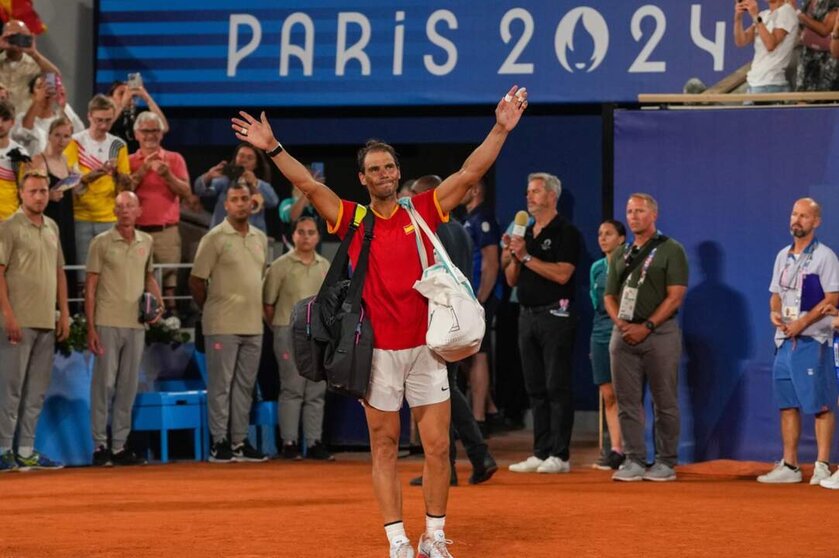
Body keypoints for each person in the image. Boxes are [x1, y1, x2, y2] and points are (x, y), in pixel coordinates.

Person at [231, 84, 527, 558]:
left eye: (389, 166)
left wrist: (500, 128)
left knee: (435, 449)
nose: (384, 174)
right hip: (378, 356)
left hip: (427, 351)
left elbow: (471, 171)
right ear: (364, 179)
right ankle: (397, 540)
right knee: (385, 447)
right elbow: (309, 185)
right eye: (375, 170)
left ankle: (434, 536)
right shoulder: (352, 218)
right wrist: (274, 148)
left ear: (398, 172)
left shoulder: (425, 208)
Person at [407, 174, 498, 488]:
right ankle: (462, 462)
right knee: (446, 389)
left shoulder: (427, 228)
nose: (411, 204)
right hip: (457, 320)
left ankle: (473, 455)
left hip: (436, 321)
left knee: (441, 391)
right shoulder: (459, 227)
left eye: (416, 196)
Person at [604, 193, 688, 482]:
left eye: (639, 211)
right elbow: (609, 296)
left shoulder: (671, 250)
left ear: (654, 215)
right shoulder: (620, 253)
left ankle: (665, 461)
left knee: (664, 401)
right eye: (629, 211)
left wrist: (647, 326)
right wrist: (621, 324)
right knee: (626, 400)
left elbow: (675, 296)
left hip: (660, 334)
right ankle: (634, 460)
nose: (633, 216)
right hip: (623, 335)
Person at [503, 172, 581, 475]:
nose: (529, 196)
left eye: (536, 191)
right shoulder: (527, 233)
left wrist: (525, 258)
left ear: (552, 196)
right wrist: (514, 255)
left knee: (556, 385)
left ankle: (560, 454)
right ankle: (540, 450)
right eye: (528, 192)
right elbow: (511, 279)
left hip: (556, 316)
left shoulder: (566, 232)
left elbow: (563, 274)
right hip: (526, 314)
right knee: (534, 386)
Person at [757, 197, 838, 485]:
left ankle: (822, 465)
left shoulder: (825, 256)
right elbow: (775, 292)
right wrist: (775, 313)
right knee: (787, 404)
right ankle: (790, 465)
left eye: (804, 216)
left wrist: (802, 322)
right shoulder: (782, 256)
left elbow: (832, 298)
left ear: (816, 222)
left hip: (813, 340)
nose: (797, 220)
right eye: (794, 214)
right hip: (784, 341)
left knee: (820, 404)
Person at [189, 181, 269, 464]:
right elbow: (197, 281)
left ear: (252, 202)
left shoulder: (260, 238)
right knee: (221, 386)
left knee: (245, 387)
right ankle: (219, 441)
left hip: (253, 325)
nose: (240, 203)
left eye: (244, 198)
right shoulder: (214, 237)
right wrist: (212, 307)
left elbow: (261, 278)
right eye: (234, 199)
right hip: (221, 323)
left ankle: (239, 441)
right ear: (226, 205)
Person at [86, 191, 163, 466]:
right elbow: (91, 287)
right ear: (114, 211)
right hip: (107, 321)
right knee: (103, 386)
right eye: (120, 206)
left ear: (139, 210)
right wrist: (91, 328)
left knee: (128, 386)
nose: (126, 210)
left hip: (136, 324)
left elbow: (149, 277)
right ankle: (99, 445)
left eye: (130, 206)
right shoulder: (101, 242)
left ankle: (119, 446)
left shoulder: (147, 241)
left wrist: (160, 304)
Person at [0, 168, 69, 471]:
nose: (40, 196)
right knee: (11, 389)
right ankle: (3, 450)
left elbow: (59, 272)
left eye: (43, 191)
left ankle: (26, 449)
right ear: (21, 194)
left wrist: (64, 313)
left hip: (45, 320)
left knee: (36, 390)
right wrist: (8, 315)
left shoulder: (52, 226)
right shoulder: (8, 227)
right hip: (17, 321)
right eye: (34, 191)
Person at [262, 216, 333, 461]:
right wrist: (282, 328)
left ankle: (314, 442)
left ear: (318, 237)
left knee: (316, 389)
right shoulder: (280, 266)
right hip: (287, 330)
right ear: (293, 236)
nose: (305, 237)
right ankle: (289, 443)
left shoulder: (325, 266)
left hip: (318, 333)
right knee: (292, 388)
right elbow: (268, 304)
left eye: (311, 232)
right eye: (301, 232)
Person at [128, 111, 190, 313]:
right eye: (145, 131)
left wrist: (168, 175)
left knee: (168, 288)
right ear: (136, 134)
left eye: (155, 131)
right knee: (136, 283)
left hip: (166, 232)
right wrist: (143, 170)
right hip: (136, 232)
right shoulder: (128, 160)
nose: (150, 136)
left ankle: (170, 329)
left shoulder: (175, 159)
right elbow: (122, 192)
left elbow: (186, 192)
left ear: (161, 134)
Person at [64, 94, 132, 270]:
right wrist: (96, 173)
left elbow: (124, 188)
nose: (103, 126)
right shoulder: (75, 142)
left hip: (109, 216)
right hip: (81, 216)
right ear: (89, 116)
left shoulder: (118, 145)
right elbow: (71, 180)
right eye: (99, 120)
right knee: (82, 272)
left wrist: (123, 179)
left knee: (109, 271)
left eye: (108, 121)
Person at [460, 180, 502, 436]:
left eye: (464, 186)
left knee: (478, 354)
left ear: (475, 190)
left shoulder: (482, 218)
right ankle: (490, 409)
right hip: (468, 297)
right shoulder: (469, 219)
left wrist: (481, 300)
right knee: (464, 353)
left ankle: (479, 420)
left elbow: (492, 262)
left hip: (480, 298)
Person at [589, 219, 627, 470]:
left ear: (621, 239)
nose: (603, 238)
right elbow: (596, 303)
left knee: (628, 394)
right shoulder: (596, 268)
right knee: (608, 394)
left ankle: (633, 449)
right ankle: (616, 449)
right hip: (600, 333)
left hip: (625, 333)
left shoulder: (630, 265)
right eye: (600, 234)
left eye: (609, 234)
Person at [29, 116, 78, 276]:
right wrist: (47, 196)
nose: (61, 140)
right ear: (49, 135)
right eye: (57, 135)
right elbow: (27, 194)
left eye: (66, 136)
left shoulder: (66, 161)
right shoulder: (38, 160)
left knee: (65, 263)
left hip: (65, 219)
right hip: (47, 218)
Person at [193, 143, 279, 233]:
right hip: (222, 236)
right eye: (241, 156)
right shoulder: (224, 181)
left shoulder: (260, 185)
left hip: (251, 238)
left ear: (256, 165)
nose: (244, 160)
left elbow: (273, 201)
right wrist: (209, 176)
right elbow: (199, 190)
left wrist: (255, 183)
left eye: (249, 158)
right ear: (235, 158)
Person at [734, 0, 799, 95]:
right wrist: (738, 18)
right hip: (754, 84)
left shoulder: (787, 12)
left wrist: (755, 16)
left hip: (771, 84)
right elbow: (741, 41)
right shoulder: (764, 15)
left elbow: (770, 45)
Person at [13, 73, 85, 155]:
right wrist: (37, 101)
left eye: (49, 87)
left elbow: (79, 132)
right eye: (40, 87)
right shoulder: (22, 118)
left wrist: (64, 105)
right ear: (32, 94)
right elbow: (23, 133)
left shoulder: (60, 119)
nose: (45, 91)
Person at [0, 19, 61, 113]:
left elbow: (54, 81)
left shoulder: (36, 64)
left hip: (23, 121)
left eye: (21, 36)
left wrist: (34, 54)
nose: (17, 40)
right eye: (13, 36)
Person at [107, 79, 170, 153]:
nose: (128, 97)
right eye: (121, 93)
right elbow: (104, 126)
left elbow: (164, 128)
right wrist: (122, 105)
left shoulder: (139, 116)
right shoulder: (103, 116)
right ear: (110, 98)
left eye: (132, 95)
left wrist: (146, 97)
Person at [795, 0, 839, 91]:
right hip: (806, 55)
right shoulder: (808, 2)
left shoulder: (834, 2)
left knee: (823, 96)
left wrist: (801, 16)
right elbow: (802, 27)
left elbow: (825, 30)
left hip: (825, 59)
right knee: (801, 94)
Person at [0, 98, 25, 221]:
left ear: (12, 122)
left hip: (9, 219)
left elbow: (23, 188)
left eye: (5, 119)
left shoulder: (19, 153)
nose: (0, 124)